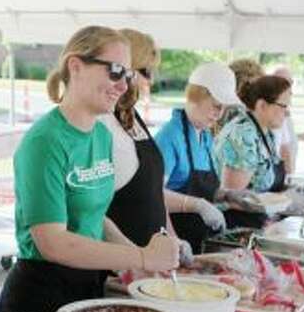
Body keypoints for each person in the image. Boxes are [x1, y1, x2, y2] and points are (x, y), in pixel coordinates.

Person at [0, 26, 179, 312]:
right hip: (40, 296)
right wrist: (140, 257)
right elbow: (53, 242)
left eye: (130, 75)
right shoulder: (45, 141)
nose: (124, 86)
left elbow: (96, 214)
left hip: (86, 288)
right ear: (75, 66)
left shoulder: (100, 135)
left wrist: (136, 259)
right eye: (116, 71)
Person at [100, 29, 213, 256]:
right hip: (121, 257)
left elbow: (153, 193)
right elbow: (92, 209)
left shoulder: (132, 116)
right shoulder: (102, 122)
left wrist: (172, 238)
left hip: (148, 255)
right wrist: (136, 258)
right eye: (145, 72)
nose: (148, 82)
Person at [154, 61, 240, 252]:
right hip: (175, 237)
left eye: (224, 108)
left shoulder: (205, 135)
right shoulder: (169, 136)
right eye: (216, 106)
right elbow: (153, 195)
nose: (219, 115)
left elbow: (205, 188)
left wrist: (227, 195)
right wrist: (196, 205)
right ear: (196, 96)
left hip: (200, 237)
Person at [212, 74, 292, 229]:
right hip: (233, 226)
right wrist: (285, 201)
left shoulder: (264, 132)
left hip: (256, 222)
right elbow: (231, 199)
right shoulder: (242, 135)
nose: (287, 113)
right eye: (284, 106)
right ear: (262, 105)